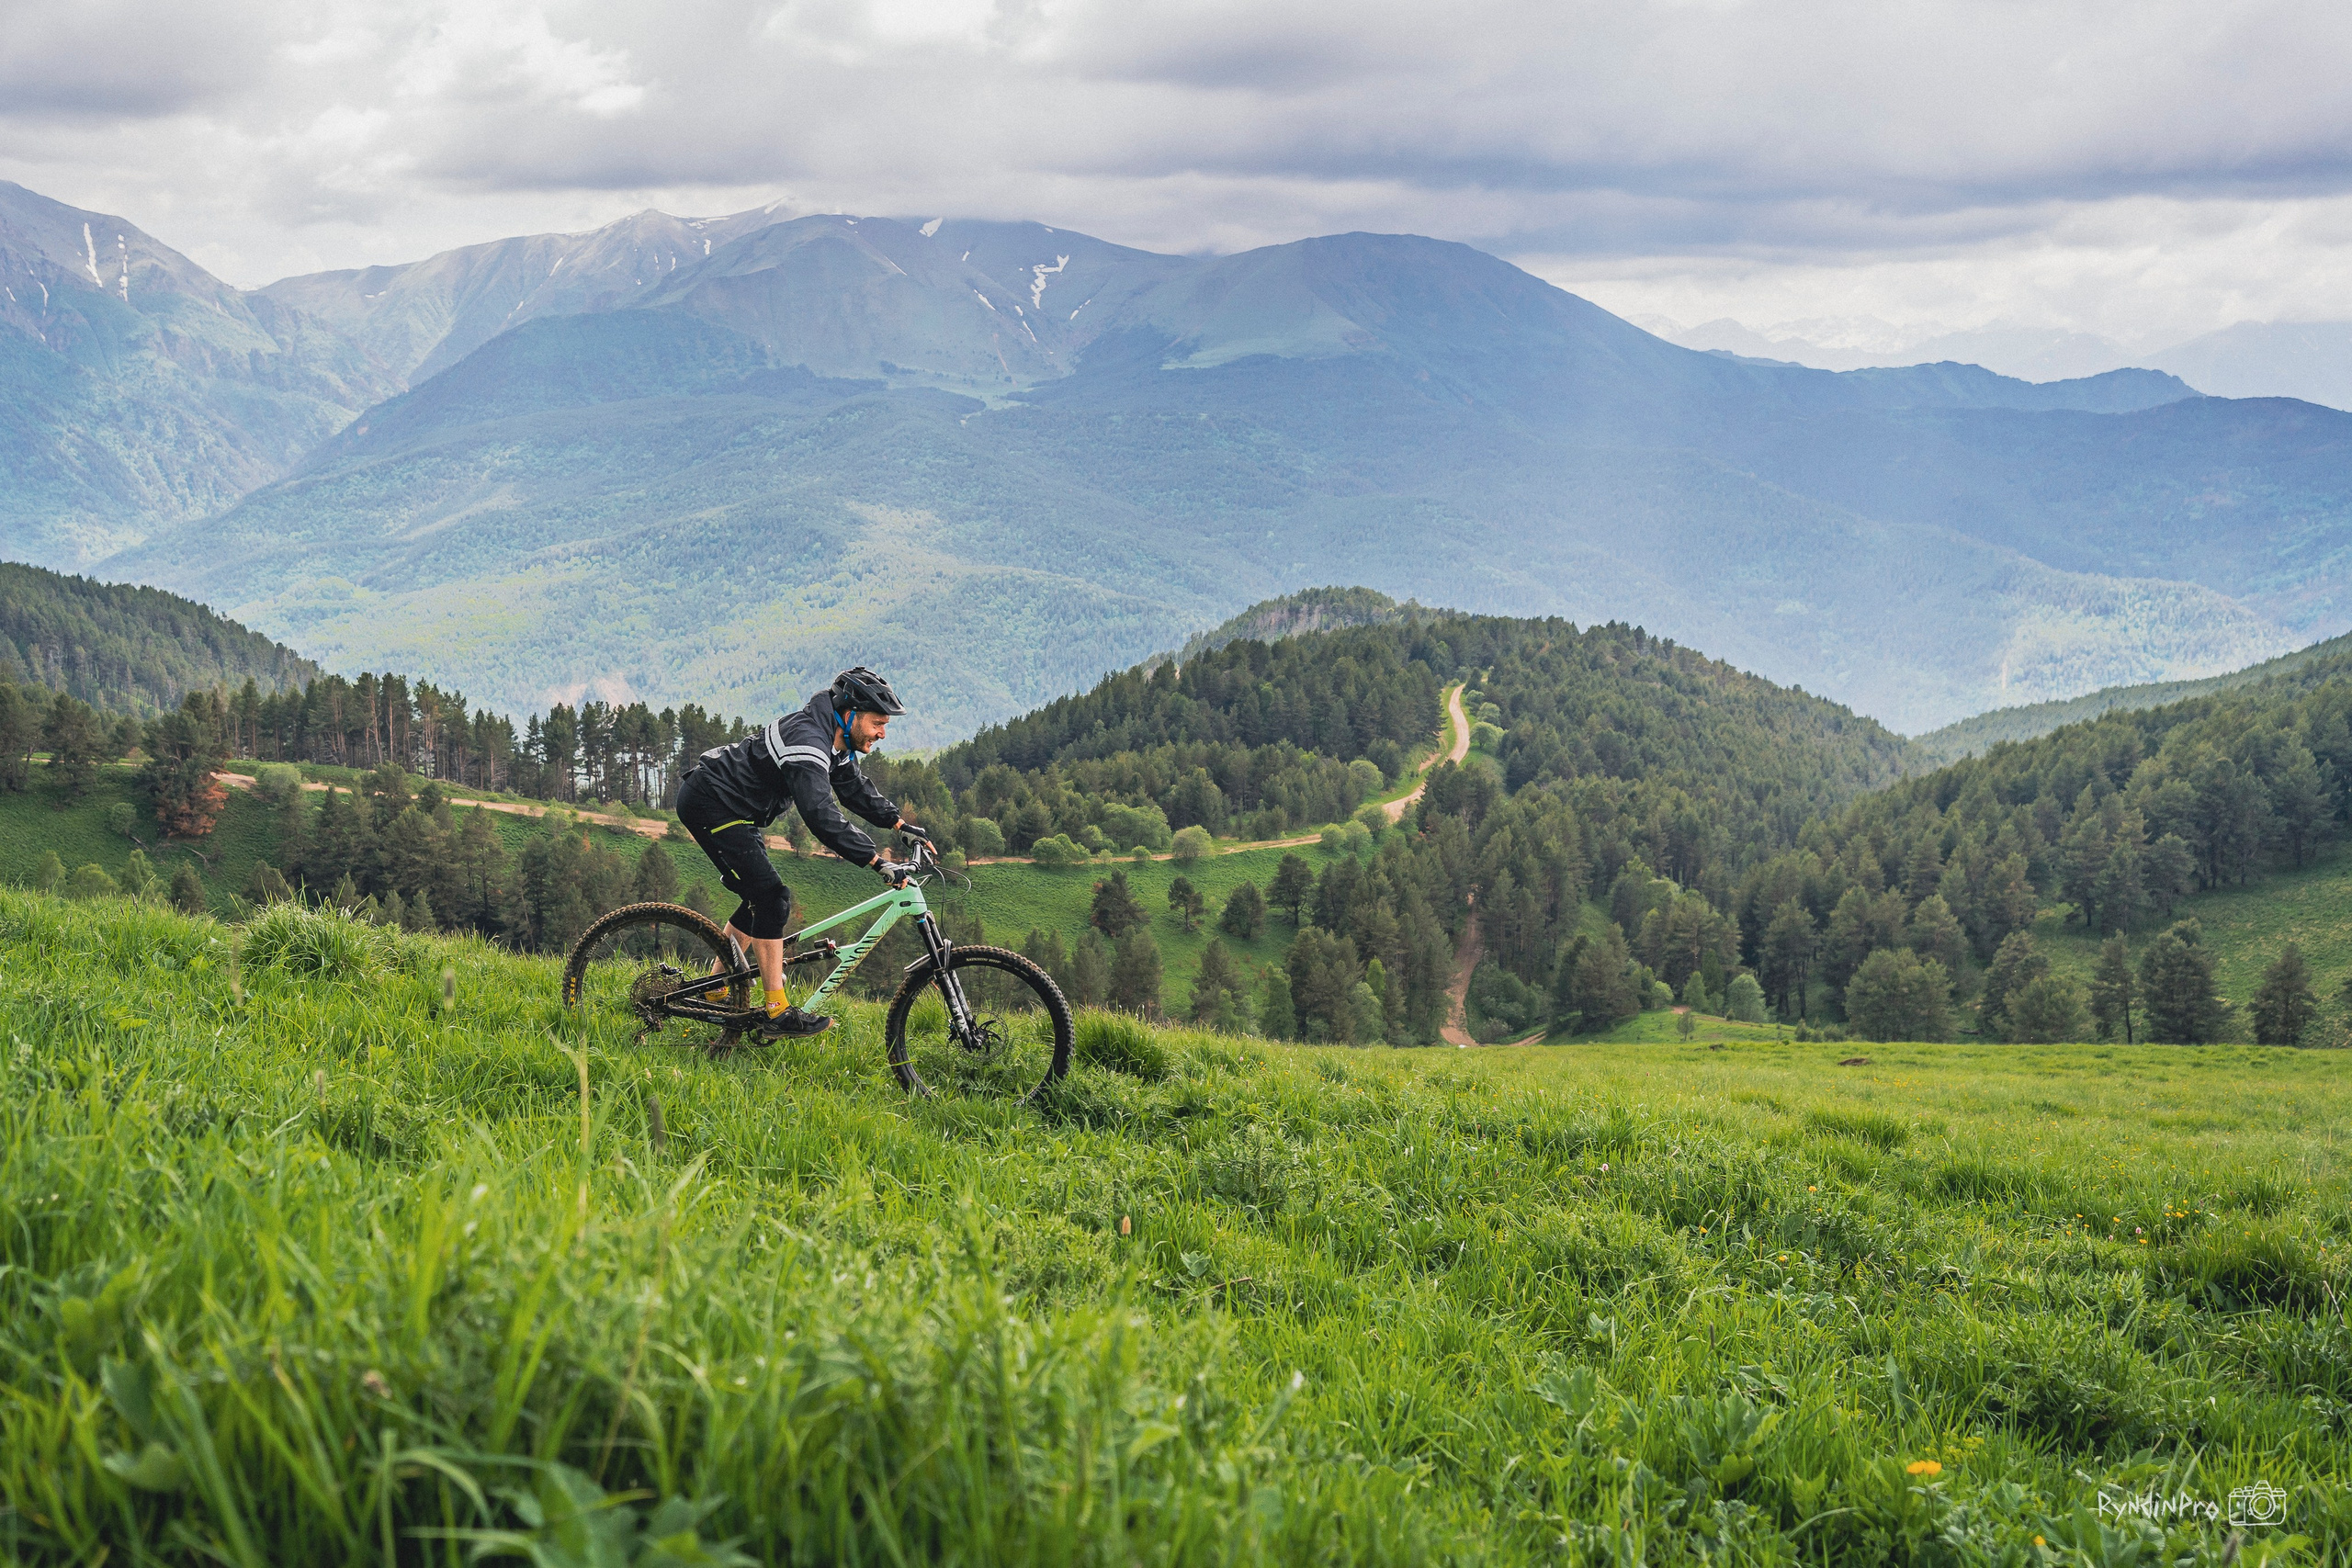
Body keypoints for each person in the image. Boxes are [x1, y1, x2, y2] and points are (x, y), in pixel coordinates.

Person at [673, 666, 927, 1039]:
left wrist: (900, 826)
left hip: (736, 809)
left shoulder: (832, 737)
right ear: (850, 714)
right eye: (877, 723)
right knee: (772, 898)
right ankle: (777, 1009)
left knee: (758, 899)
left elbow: (852, 787)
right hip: (712, 802)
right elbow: (821, 815)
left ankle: (713, 987)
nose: (882, 733)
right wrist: (876, 861)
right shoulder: (808, 742)